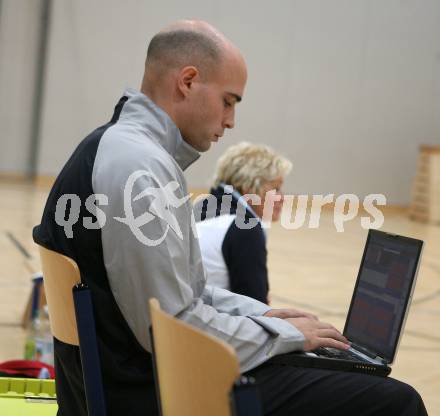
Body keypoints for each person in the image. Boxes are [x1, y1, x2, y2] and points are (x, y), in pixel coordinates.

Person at [33, 20, 427, 416]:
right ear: (187, 81)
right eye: (229, 101)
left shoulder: (121, 148)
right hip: (149, 393)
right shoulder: (140, 168)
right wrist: (285, 335)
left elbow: (186, 294)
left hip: (120, 379)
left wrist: (264, 315)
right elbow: (172, 330)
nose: (231, 120)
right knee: (395, 399)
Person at [194, 142, 292, 304]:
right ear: (250, 188)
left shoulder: (201, 206)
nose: (282, 197)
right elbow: (255, 308)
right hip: (200, 325)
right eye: (276, 189)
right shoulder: (245, 228)